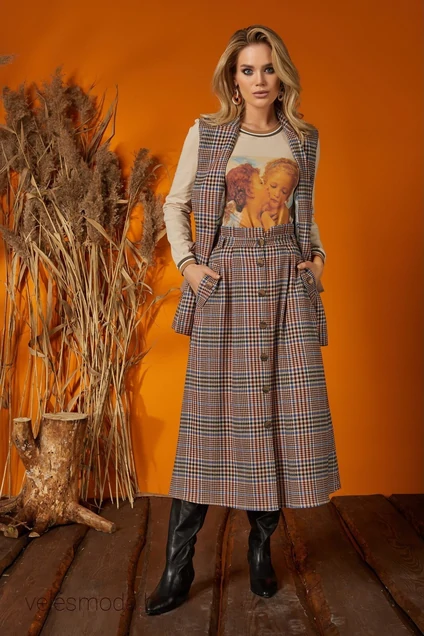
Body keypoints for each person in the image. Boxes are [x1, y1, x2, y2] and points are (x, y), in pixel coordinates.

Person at [146, 24, 341, 616]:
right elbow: (174, 203)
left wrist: (317, 258)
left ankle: (261, 550)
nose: (259, 80)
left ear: (283, 76)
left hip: (284, 287)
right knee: (206, 426)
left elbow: (305, 214)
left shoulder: (303, 139)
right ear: (233, 78)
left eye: (268, 68)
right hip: (226, 284)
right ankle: (178, 566)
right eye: (247, 69)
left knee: (275, 419)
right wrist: (188, 265)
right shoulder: (206, 133)